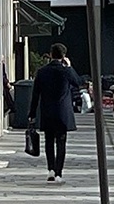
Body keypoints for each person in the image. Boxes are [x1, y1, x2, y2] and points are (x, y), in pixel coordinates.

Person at [27, 43, 80, 182]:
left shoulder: (42, 72)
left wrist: (32, 114)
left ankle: (50, 169)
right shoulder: (65, 71)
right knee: (61, 143)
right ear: (64, 56)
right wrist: (68, 66)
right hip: (63, 114)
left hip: (47, 112)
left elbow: (35, 95)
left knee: (49, 142)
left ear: (50, 55)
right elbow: (77, 82)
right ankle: (58, 173)